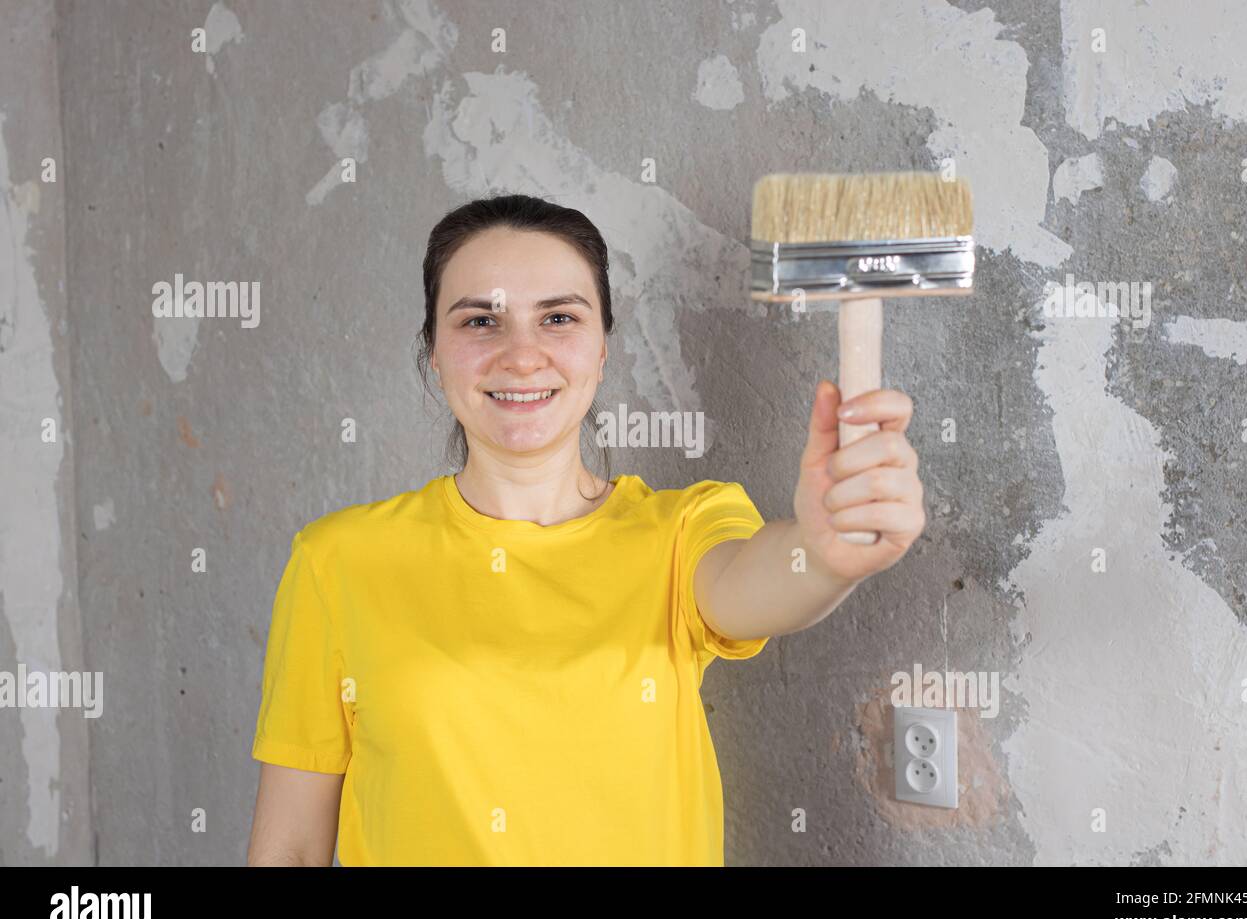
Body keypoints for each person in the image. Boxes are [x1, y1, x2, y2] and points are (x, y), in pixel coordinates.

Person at [246, 194, 925, 865]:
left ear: (602, 350)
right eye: (481, 320)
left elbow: (755, 584)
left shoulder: (683, 531)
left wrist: (826, 553)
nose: (521, 355)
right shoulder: (338, 561)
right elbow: (292, 850)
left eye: (559, 318)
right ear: (433, 350)